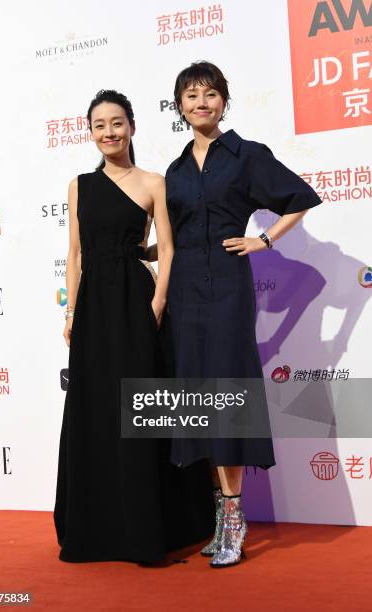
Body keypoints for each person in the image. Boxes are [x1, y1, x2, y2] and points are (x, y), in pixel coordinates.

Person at [164, 62, 322, 568]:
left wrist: (264, 239)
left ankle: (235, 518)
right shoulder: (175, 169)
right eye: (190, 96)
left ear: (224, 102)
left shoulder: (247, 156)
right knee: (198, 400)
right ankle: (219, 517)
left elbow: (300, 199)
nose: (200, 103)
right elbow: (173, 235)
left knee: (227, 396)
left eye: (210, 94)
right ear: (179, 107)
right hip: (185, 293)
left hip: (229, 292)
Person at [54, 89, 214, 564]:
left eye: (117, 123)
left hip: (135, 301)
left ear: (132, 126)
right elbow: (75, 254)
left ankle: (152, 525)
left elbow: (166, 248)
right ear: (90, 132)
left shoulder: (152, 182)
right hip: (94, 308)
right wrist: (71, 312)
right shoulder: (79, 184)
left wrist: (158, 302)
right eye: (100, 124)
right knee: (98, 410)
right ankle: (98, 526)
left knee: (141, 412)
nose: (109, 132)